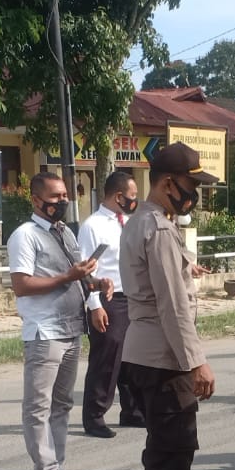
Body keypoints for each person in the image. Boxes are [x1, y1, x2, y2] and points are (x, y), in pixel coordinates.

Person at [119, 143, 219, 470]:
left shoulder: (142, 221)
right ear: (166, 183)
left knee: (160, 448)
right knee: (174, 453)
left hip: (145, 353)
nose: (195, 193)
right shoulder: (158, 228)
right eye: (191, 185)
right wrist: (196, 361)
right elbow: (173, 305)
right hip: (164, 358)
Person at [8, 172, 103, 470]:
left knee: (62, 403)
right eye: (54, 197)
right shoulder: (25, 236)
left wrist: (97, 287)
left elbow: (81, 276)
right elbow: (21, 285)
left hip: (71, 328)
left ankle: (56, 463)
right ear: (36, 200)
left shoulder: (65, 232)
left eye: (65, 195)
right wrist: (67, 276)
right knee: (38, 405)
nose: (62, 202)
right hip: (44, 331)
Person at [78, 170, 146, 438]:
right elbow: (85, 269)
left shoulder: (129, 222)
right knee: (106, 360)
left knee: (132, 359)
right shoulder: (93, 226)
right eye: (132, 197)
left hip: (133, 298)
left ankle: (132, 411)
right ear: (118, 196)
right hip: (109, 299)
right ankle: (94, 416)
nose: (134, 201)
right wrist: (94, 306)